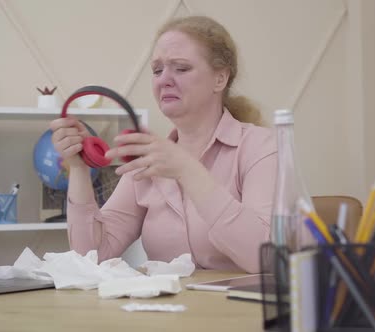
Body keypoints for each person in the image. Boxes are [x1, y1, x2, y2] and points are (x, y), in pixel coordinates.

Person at [50, 15, 276, 273]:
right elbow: (91, 257)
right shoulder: (147, 159)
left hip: (239, 312)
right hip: (166, 311)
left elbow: (264, 259)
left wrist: (186, 170)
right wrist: (78, 170)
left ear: (220, 79)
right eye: (157, 70)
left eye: (181, 68)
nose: (163, 79)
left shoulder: (260, 147)